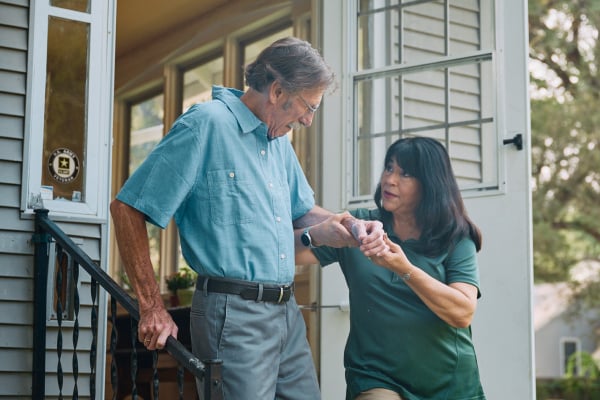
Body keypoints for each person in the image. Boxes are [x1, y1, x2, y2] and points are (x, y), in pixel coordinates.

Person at [110, 37, 387, 399]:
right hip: (232, 315)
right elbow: (128, 208)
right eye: (308, 107)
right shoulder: (206, 125)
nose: (307, 119)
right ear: (276, 91)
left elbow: (302, 212)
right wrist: (151, 306)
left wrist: (349, 223)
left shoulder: (278, 144)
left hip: (286, 312)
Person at [296, 137, 486, 400]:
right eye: (389, 168)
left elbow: (462, 312)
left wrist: (403, 267)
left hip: (449, 384)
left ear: (430, 184)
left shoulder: (455, 238)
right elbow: (291, 253)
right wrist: (315, 233)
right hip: (376, 377)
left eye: (405, 174)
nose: (390, 179)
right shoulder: (362, 228)